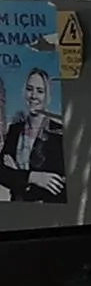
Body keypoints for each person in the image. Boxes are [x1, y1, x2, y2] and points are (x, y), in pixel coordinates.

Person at [1, 66, 61, 203]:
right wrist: (34, 177)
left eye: (40, 91)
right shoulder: (14, 131)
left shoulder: (58, 133)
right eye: (29, 89)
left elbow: (57, 185)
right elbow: (1, 173)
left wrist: (16, 175)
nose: (33, 95)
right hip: (16, 207)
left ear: (48, 96)